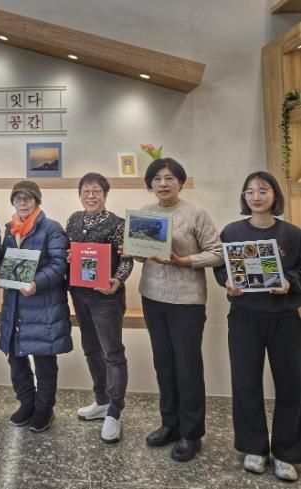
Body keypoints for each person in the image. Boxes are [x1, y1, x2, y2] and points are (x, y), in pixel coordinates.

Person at [214, 171, 301, 482]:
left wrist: (289, 282)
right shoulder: (232, 232)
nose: (256, 196)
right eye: (249, 191)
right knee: (246, 382)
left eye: (263, 190)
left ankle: (287, 453)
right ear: (244, 197)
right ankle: (254, 448)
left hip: (284, 319)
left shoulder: (292, 234)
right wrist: (228, 282)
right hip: (244, 317)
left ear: (274, 195)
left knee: (291, 385)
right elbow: (221, 269)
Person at [134, 158, 222, 462]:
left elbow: (217, 253)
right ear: (150, 184)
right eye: (157, 178)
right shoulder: (145, 213)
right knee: (164, 364)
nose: (163, 183)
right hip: (152, 296)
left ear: (180, 182)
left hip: (186, 301)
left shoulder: (195, 214)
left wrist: (183, 261)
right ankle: (170, 424)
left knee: (187, 367)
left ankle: (191, 433)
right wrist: (133, 250)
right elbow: (142, 256)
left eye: (169, 178)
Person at [0, 181, 72, 433]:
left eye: (27, 198)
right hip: (14, 305)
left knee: (44, 362)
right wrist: (3, 276)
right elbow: (4, 260)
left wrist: (36, 283)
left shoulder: (52, 228)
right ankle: (26, 403)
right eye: (17, 198)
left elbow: (59, 265)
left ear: (37, 201)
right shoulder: (10, 229)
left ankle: (44, 409)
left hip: (43, 306)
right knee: (16, 359)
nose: (22, 203)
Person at [66, 173, 133, 443]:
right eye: (86, 191)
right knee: (91, 349)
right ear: (79, 194)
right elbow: (68, 251)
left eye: (96, 191)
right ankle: (102, 401)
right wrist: (68, 256)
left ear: (105, 194)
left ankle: (115, 410)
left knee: (112, 353)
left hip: (106, 297)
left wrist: (118, 280)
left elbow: (126, 259)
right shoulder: (74, 220)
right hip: (79, 295)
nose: (91, 195)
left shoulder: (117, 224)